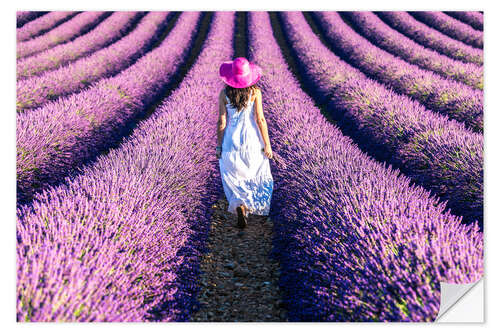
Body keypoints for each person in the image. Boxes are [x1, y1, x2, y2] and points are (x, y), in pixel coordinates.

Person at [216, 57, 274, 229]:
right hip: (252, 141)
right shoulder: (255, 92)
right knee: (256, 174)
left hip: (231, 142)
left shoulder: (224, 94)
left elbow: (222, 121)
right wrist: (267, 144)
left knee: (235, 176)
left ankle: (240, 206)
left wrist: (219, 146)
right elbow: (260, 119)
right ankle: (249, 206)